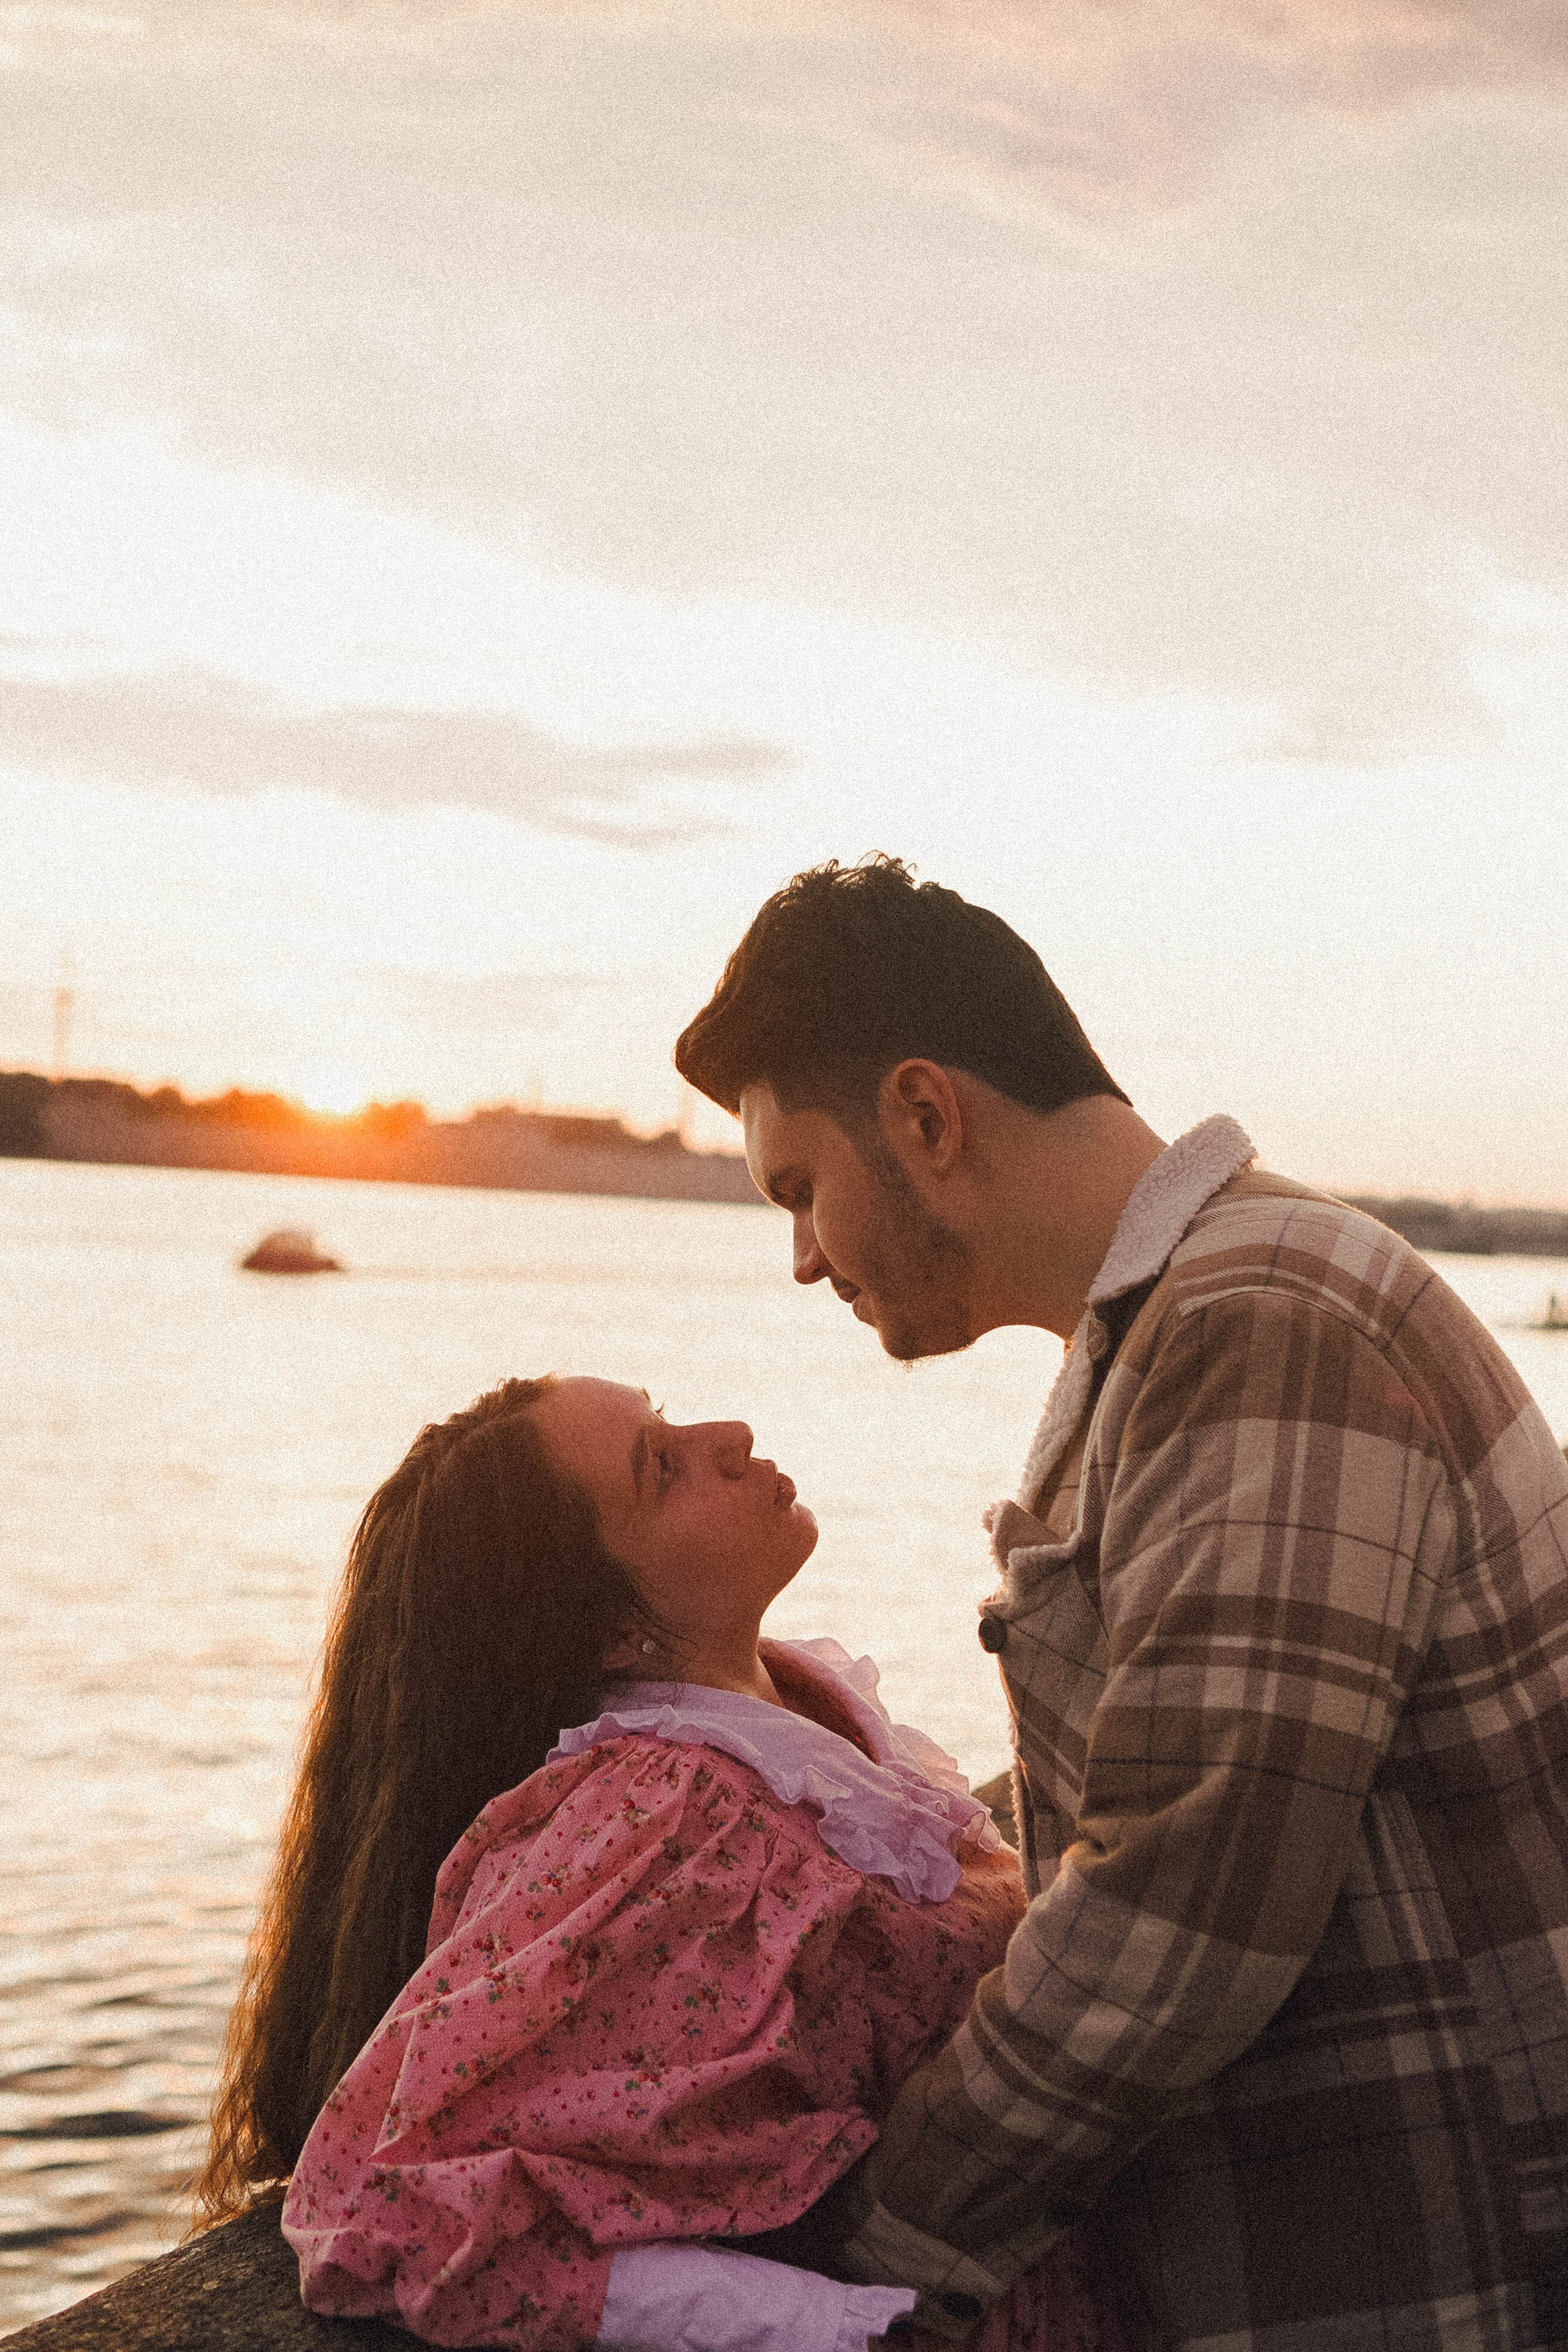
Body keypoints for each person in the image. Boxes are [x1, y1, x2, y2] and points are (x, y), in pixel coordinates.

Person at [673, 856, 1568, 2351]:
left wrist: (872, 2236)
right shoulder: (1183, 1330)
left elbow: (1186, 1896)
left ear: (923, 1116)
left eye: (799, 1190)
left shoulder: (1257, 1326)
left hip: (1444, 2261)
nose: (802, 1259)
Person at [197, 1372, 1135, 2352]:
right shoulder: (665, 1819)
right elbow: (391, 2216)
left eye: (671, 1420)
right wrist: (840, 2330)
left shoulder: (802, 1716)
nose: (729, 1433)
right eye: (663, 1466)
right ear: (612, 1626)